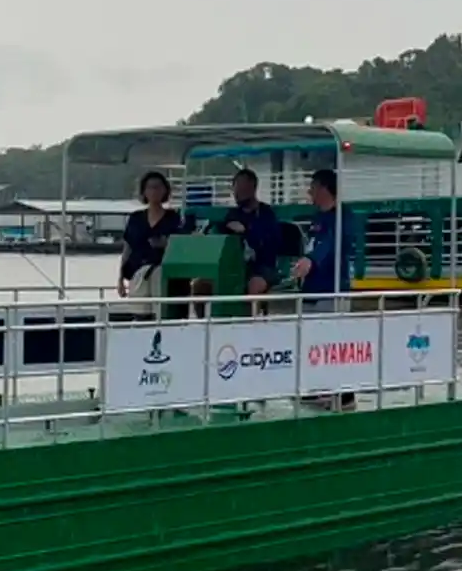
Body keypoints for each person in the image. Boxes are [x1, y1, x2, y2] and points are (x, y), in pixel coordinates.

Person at [291, 168, 356, 410]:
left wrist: (312, 260)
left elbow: (331, 245)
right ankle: (317, 388)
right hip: (311, 289)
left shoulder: (343, 217)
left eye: (313, 187)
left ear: (323, 188)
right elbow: (313, 244)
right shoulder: (317, 218)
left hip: (332, 289)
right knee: (311, 342)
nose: (309, 192)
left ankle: (344, 394)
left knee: (334, 342)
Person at [191, 168, 282, 316]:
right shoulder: (232, 214)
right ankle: (202, 324)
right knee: (200, 285)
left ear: (253, 188)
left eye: (242, 188)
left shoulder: (267, 214)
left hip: (262, 268)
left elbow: (270, 244)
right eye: (235, 188)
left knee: (254, 285)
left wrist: (246, 231)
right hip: (232, 267)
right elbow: (220, 235)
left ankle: (251, 324)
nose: (237, 192)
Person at [118, 171, 189, 318]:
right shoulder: (136, 219)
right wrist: (120, 278)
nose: (154, 191)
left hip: (164, 274)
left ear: (165, 190)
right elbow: (127, 249)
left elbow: (183, 247)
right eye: (150, 187)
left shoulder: (174, 218)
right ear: (144, 191)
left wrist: (166, 244)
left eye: (158, 187)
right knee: (141, 315)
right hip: (139, 273)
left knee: (162, 312)